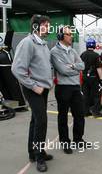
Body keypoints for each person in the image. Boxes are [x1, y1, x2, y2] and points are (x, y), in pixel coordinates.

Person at [11, 15, 53, 172]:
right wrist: (34, 86)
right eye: (45, 25)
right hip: (34, 89)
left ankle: (33, 152)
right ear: (36, 26)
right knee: (41, 122)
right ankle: (39, 157)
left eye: (49, 25)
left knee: (35, 121)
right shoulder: (27, 43)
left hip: (43, 89)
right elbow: (16, 69)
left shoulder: (42, 44)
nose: (48, 28)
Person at [50, 25, 87, 154]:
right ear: (61, 36)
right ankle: (65, 142)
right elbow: (63, 70)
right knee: (63, 117)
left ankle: (78, 139)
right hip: (63, 88)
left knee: (80, 114)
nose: (71, 36)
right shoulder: (54, 51)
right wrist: (74, 70)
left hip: (76, 87)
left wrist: (72, 66)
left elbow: (82, 65)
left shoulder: (72, 51)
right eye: (69, 34)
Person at [81, 38, 102, 118]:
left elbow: (80, 67)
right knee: (97, 95)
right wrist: (101, 79)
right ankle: (96, 112)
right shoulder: (96, 55)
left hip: (84, 77)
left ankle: (85, 111)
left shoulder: (82, 54)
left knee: (85, 95)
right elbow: (99, 68)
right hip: (94, 78)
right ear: (94, 45)